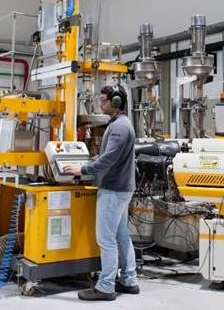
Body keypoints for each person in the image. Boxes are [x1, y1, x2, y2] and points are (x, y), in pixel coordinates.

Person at [64, 84, 139, 301]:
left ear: (116, 102)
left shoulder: (119, 128)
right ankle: (129, 280)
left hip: (113, 189)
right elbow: (106, 154)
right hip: (122, 188)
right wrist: (87, 161)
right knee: (121, 235)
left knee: (106, 239)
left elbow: (109, 158)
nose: (100, 103)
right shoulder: (120, 124)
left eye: (104, 100)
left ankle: (106, 287)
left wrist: (83, 169)